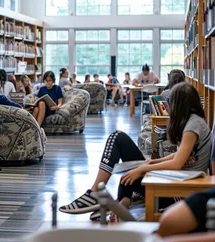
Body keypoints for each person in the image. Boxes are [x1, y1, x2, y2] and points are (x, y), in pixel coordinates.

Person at [59, 82, 211, 222]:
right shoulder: (195, 121)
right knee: (121, 146)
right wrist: (153, 162)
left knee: (120, 144)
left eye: (169, 104)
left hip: (175, 192)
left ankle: (104, 196)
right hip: (176, 183)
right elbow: (179, 155)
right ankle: (117, 201)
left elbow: (177, 164)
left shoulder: (193, 126)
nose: (168, 108)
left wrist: (143, 168)